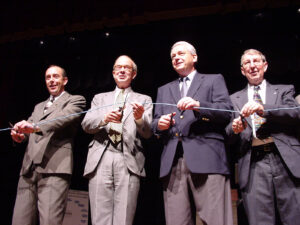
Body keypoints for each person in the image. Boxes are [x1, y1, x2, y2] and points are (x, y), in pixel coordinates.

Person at [152, 41, 234, 225]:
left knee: (215, 220)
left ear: (194, 57)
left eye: (181, 53)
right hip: (173, 163)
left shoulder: (213, 80)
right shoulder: (163, 89)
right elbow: (154, 123)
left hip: (208, 158)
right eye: (173, 56)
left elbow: (227, 112)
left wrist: (199, 105)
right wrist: (160, 124)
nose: (176, 58)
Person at [227, 49, 300, 225]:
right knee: (260, 220)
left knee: (294, 217)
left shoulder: (283, 90)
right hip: (254, 163)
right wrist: (235, 129)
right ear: (242, 70)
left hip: (285, 161)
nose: (252, 66)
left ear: (265, 66)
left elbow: (294, 113)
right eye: (247, 63)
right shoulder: (233, 99)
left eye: (256, 61)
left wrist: (262, 108)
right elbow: (227, 134)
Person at [10, 65, 86, 225]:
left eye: (55, 77)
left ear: (65, 80)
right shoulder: (39, 106)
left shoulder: (76, 100)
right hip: (28, 170)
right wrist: (20, 136)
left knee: (49, 221)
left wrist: (35, 127)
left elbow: (60, 120)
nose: (51, 80)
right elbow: (28, 128)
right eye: (48, 77)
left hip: (54, 169)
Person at [81, 55, 153, 225]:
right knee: (99, 217)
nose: (122, 70)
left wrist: (139, 118)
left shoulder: (144, 100)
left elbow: (148, 133)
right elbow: (86, 125)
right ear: (113, 73)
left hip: (128, 158)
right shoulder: (99, 98)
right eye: (118, 67)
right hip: (100, 158)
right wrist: (104, 119)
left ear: (133, 74)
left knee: (124, 218)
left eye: (126, 68)